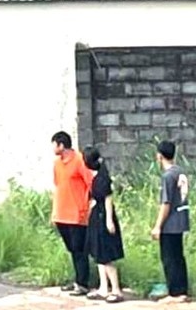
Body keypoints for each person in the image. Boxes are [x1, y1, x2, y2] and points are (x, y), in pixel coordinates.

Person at [51, 130, 94, 297]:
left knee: (79, 249)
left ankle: (83, 283)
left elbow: (91, 183)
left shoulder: (79, 161)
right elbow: (58, 186)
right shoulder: (57, 164)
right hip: (61, 213)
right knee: (72, 249)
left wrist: (87, 206)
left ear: (61, 145)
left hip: (77, 214)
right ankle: (77, 280)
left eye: (54, 144)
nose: (53, 148)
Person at [83, 147, 124, 303]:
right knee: (98, 254)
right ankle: (103, 287)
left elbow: (108, 199)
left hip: (103, 216)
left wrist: (109, 220)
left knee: (106, 255)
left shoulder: (102, 178)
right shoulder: (97, 176)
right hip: (96, 216)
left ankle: (116, 289)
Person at [152, 140, 190, 304]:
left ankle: (175, 293)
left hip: (170, 224)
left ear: (159, 156)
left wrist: (157, 226)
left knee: (169, 258)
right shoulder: (180, 172)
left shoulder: (167, 176)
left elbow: (165, 204)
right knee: (178, 257)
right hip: (181, 220)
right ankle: (182, 290)